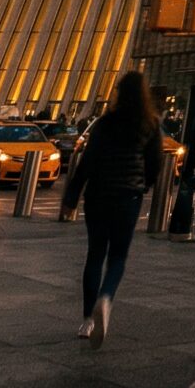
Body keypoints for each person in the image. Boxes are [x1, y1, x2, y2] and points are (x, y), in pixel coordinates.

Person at [60, 69, 163, 345]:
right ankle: (106, 297)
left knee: (95, 255)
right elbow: (155, 162)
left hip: (99, 196)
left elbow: (88, 162)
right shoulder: (150, 125)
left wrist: (71, 198)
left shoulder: (105, 123)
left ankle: (87, 321)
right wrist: (144, 184)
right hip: (128, 197)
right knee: (117, 257)